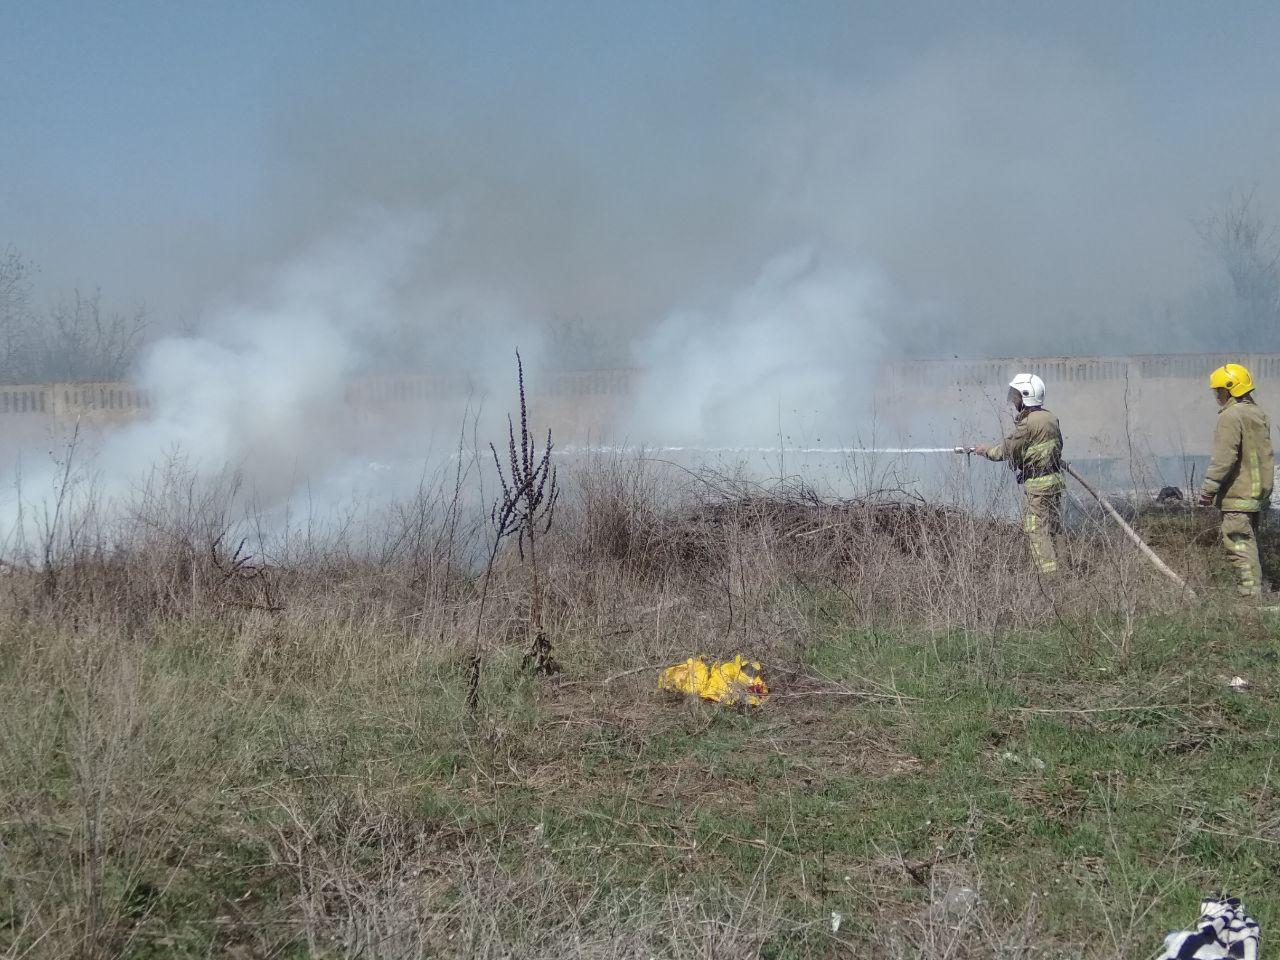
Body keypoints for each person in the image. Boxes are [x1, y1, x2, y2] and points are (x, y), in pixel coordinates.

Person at [973, 373, 1065, 576]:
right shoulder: (1050, 418)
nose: (1014, 400)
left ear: (1027, 396)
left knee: (1035, 528)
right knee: (1054, 527)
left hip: (1038, 486)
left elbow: (1005, 451)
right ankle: (1064, 570)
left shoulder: (1028, 423)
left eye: (1016, 396)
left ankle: (1049, 577)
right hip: (1055, 480)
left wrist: (986, 450)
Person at [1199, 363, 1274, 599]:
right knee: (1250, 543)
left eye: (1219, 390)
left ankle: (1250, 597)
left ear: (1230, 389)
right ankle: (1259, 590)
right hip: (1255, 495)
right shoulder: (1258, 414)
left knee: (1239, 545)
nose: (1217, 396)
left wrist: (1208, 489)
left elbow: (1224, 457)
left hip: (1237, 496)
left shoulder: (1230, 416)